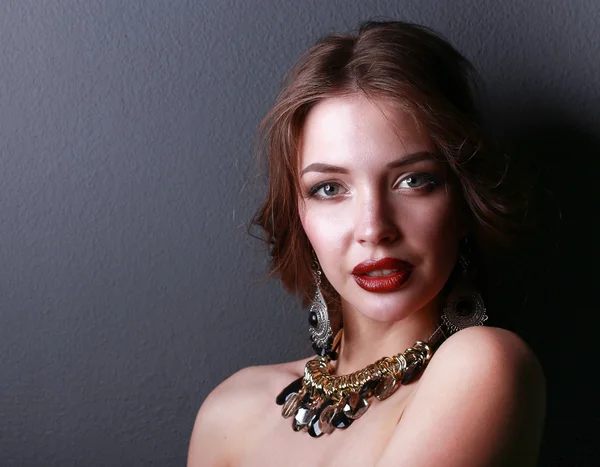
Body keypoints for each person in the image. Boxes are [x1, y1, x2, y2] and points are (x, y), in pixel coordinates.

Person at [187, 20, 546, 466]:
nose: (373, 228)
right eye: (329, 189)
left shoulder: (484, 366)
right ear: (300, 217)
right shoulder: (231, 410)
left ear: (464, 201)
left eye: (414, 180)